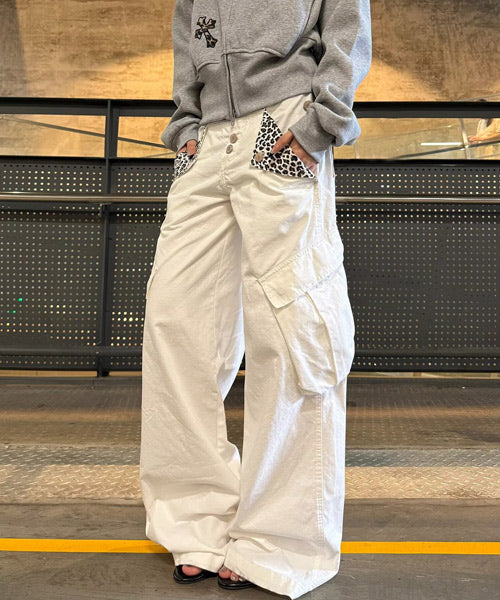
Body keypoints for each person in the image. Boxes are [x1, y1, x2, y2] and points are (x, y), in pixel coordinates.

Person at [140, 1, 372, 598]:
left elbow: (346, 22)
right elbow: (189, 30)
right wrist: (186, 125)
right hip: (206, 142)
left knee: (290, 328)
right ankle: (196, 519)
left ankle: (282, 542)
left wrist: (322, 121)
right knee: (176, 325)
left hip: (284, 125)